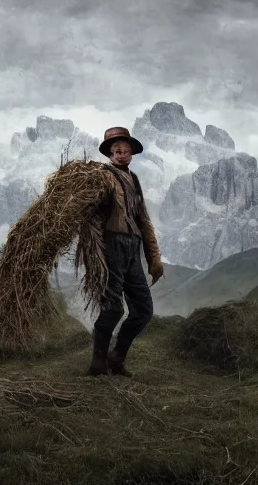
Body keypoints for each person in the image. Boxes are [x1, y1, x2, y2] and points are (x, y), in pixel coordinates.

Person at [87, 127, 164, 377]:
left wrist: (154, 258)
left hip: (133, 247)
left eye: (125, 151)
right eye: (117, 151)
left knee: (143, 309)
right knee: (113, 308)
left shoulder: (134, 179)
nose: (121, 155)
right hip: (111, 244)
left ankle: (117, 358)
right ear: (110, 153)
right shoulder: (101, 176)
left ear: (131, 154)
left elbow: (143, 219)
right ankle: (98, 363)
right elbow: (91, 211)